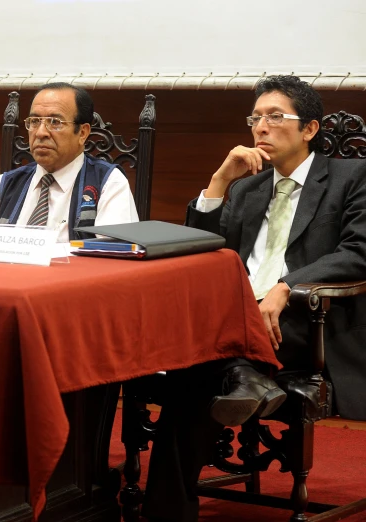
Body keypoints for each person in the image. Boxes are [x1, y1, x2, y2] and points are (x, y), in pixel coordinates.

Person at [142, 75, 366, 522]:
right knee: (193, 373)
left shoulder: (351, 177)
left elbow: (359, 251)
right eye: (255, 118)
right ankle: (244, 375)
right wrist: (219, 180)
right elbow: (200, 254)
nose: (261, 127)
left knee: (193, 365)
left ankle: (166, 511)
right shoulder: (246, 188)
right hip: (237, 323)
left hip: (307, 325)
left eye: (275, 117)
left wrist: (287, 288)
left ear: (309, 129)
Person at [0, 82, 138, 241]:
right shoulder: (6, 184)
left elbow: (113, 252)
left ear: (82, 132)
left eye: (55, 122)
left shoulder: (108, 183)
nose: (40, 133)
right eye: (34, 121)